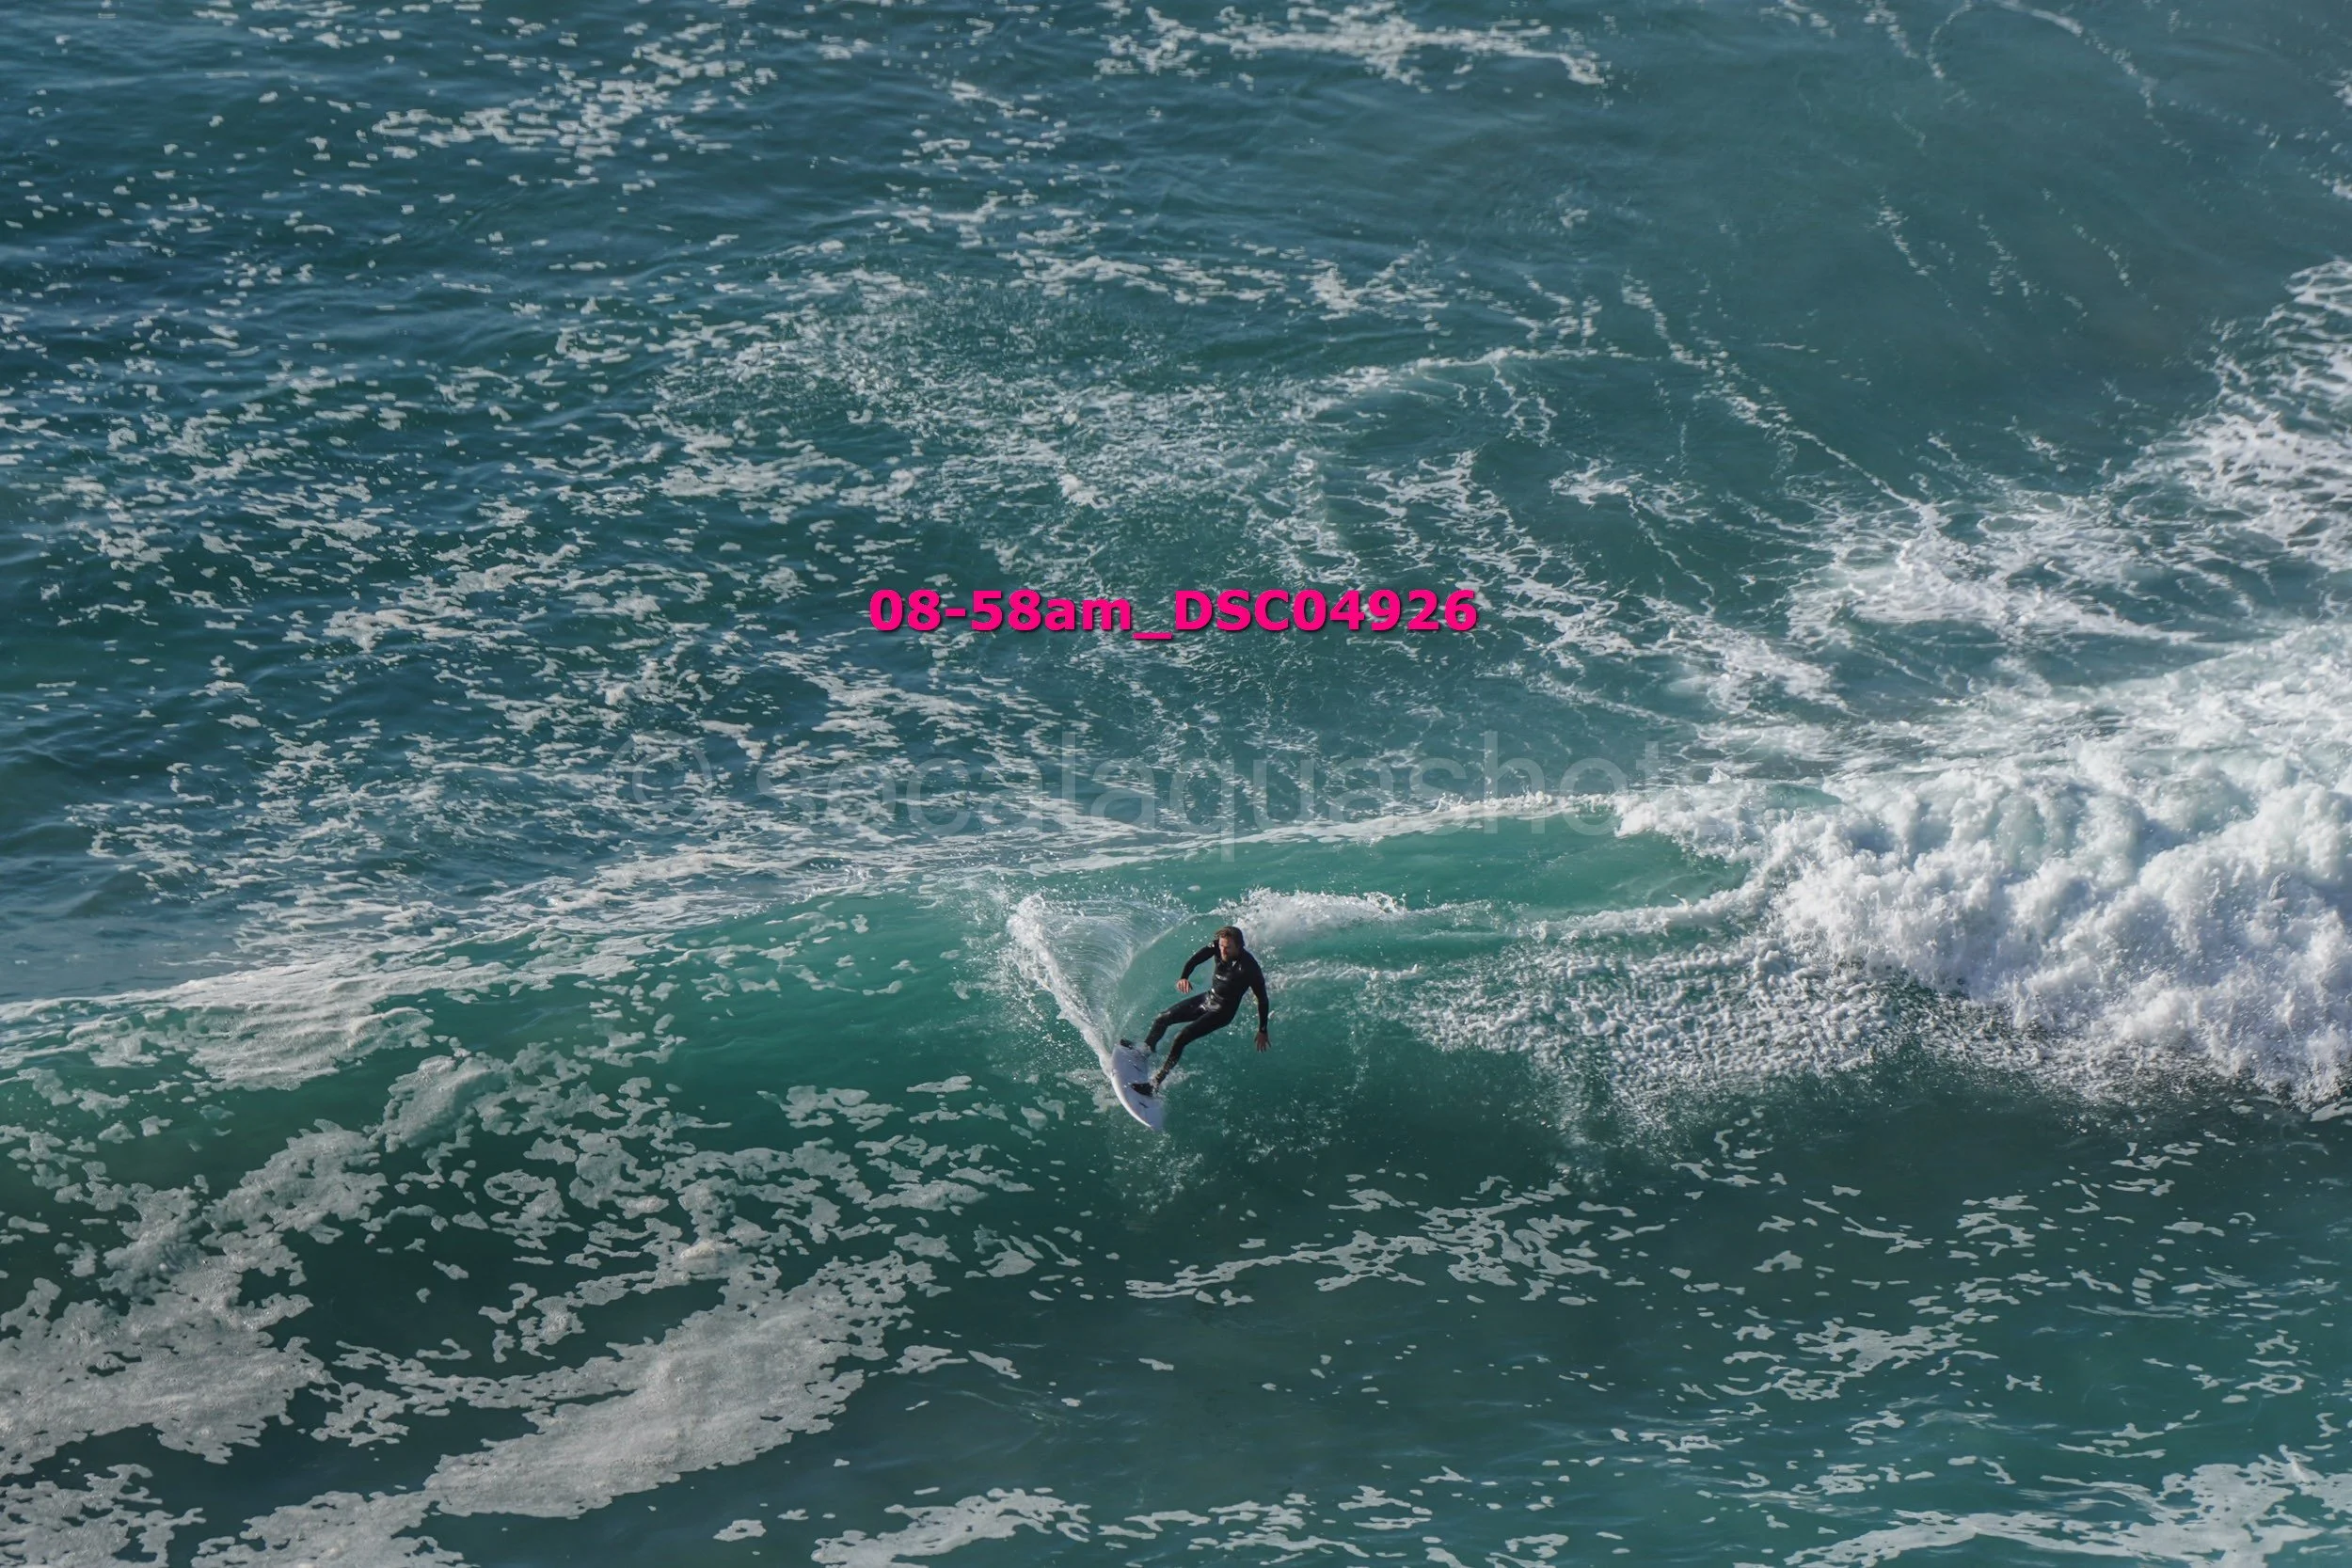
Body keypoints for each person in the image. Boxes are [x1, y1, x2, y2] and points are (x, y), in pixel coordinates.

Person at [1122, 925, 1270, 1097]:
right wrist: (1184, 977)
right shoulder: (1217, 946)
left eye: (1228, 947)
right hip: (1208, 999)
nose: (1223, 950)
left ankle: (1155, 1084)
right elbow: (1194, 960)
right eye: (1222, 945)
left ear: (1239, 946)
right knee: (1162, 1018)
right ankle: (1146, 1050)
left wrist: (1262, 1030)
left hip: (1222, 1012)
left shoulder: (1249, 968)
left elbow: (1262, 999)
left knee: (1181, 1037)